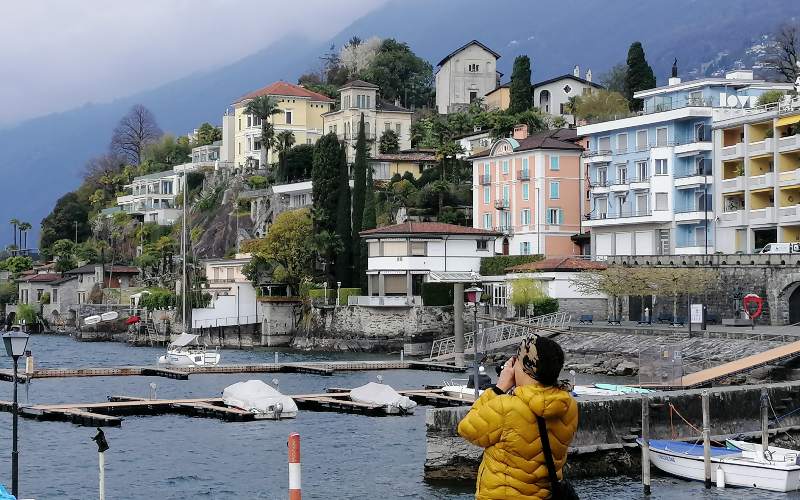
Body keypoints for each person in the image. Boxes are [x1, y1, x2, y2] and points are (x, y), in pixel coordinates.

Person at [458, 335, 578, 499]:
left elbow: (467, 428)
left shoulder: (505, 407)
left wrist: (499, 388)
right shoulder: (569, 406)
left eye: (517, 362)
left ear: (525, 367)